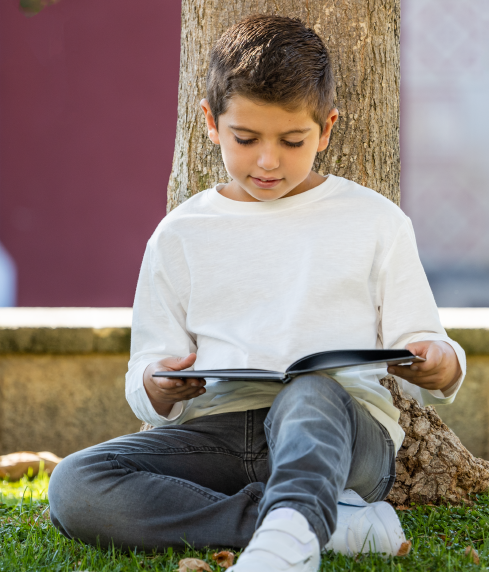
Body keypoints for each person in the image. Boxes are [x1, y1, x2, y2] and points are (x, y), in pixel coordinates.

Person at [48, 14, 466, 572]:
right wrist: (160, 383)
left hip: (343, 438)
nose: (268, 161)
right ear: (211, 123)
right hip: (222, 435)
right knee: (76, 484)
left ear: (327, 129)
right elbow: (145, 371)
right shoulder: (181, 235)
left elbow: (428, 341)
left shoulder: (375, 221)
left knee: (309, 393)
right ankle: (325, 526)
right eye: (246, 139)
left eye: (292, 141)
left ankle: (285, 547)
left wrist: (440, 365)